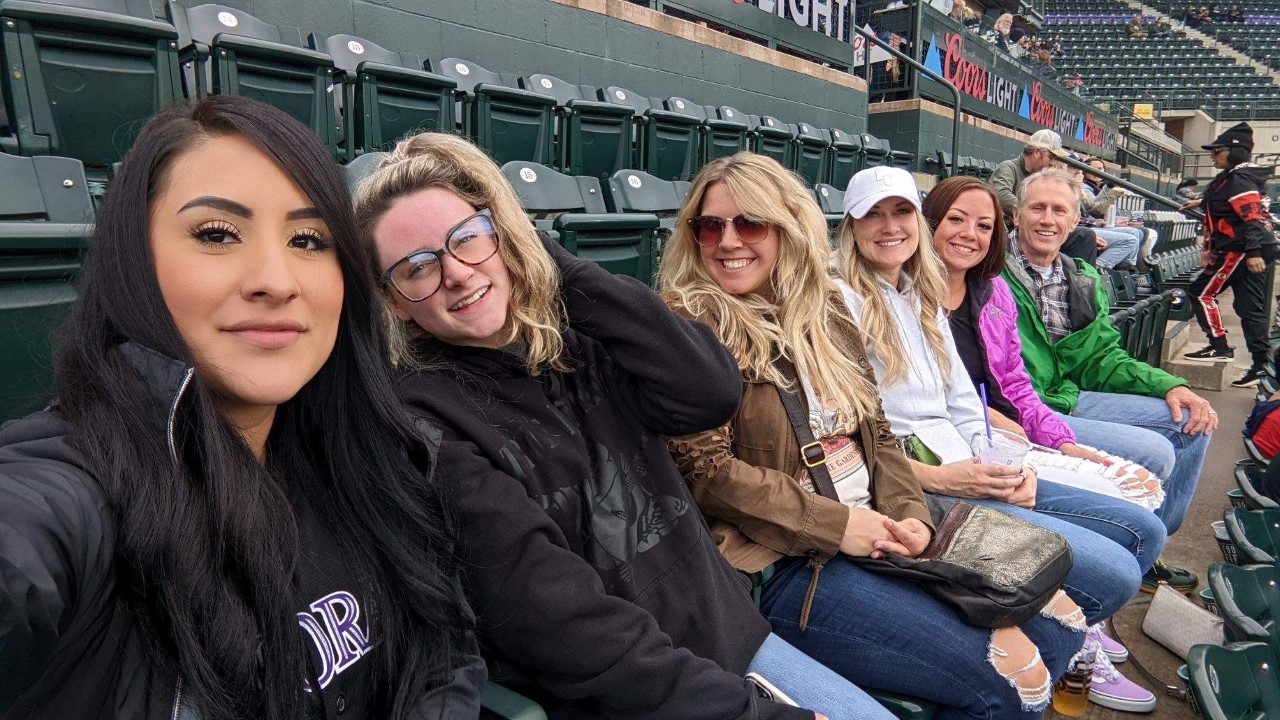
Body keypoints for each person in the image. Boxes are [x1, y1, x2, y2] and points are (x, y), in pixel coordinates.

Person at [356, 131, 874, 719]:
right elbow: (562, 624)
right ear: (393, 301)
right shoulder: (423, 423)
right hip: (636, 700)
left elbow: (708, 394)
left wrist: (559, 270)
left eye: (468, 239)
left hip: (735, 638)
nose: (455, 272)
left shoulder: (578, 343)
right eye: (417, 267)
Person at [0, 96, 483, 718]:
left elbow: (445, 658)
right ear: (134, 262)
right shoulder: (69, 491)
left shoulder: (370, 461)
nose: (277, 281)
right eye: (217, 234)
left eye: (309, 240)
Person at [659, 152, 1088, 719]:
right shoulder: (689, 325)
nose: (728, 241)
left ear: (789, 228)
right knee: (1014, 679)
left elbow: (877, 430)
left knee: (1062, 627)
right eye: (710, 225)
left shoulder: (824, 309)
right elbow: (706, 472)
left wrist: (912, 513)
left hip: (879, 517)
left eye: (751, 223)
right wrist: (841, 525)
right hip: (784, 554)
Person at [830, 167, 1156, 633]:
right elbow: (850, 435)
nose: (889, 227)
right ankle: (1065, 637)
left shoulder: (921, 294)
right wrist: (944, 477)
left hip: (971, 465)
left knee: (1141, 528)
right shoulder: (837, 302)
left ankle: (1069, 634)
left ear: (916, 222)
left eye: (901, 212)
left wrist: (1004, 467)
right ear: (851, 226)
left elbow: (964, 401)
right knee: (1116, 569)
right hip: (919, 483)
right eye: (872, 215)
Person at [923, 176, 1168, 713]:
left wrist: (1062, 441)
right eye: (956, 220)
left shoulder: (993, 292)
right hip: (961, 450)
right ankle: (1079, 642)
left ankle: (1087, 630)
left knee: (1142, 499)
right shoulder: (907, 296)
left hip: (1010, 435)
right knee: (1130, 529)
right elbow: (925, 401)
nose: (969, 234)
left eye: (982, 225)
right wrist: (989, 421)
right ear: (930, 223)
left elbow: (1016, 383)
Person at [1001, 167, 1215, 593]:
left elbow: (1102, 359)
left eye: (1059, 210)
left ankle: (1148, 547)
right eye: (1037, 208)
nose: (1047, 219)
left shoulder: (1080, 276)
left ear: (1074, 221)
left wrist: (1170, 385)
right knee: (1156, 452)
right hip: (1024, 410)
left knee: (1192, 421)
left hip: (1067, 395)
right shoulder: (990, 271)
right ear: (1016, 215)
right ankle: (1129, 544)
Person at [1179, 122, 1277, 387]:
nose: (1213, 156)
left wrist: (1253, 252)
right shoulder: (1235, 176)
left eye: (1217, 151)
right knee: (1249, 308)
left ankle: (1219, 346)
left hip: (1243, 249)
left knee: (1200, 293)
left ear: (1234, 151)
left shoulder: (1239, 179)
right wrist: (1202, 202)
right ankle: (1261, 366)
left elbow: (1252, 217)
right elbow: (1230, 202)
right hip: (1250, 247)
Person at [990, 129, 1068, 224]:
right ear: (1036, 152)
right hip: (1007, 227)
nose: (1053, 163)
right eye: (1051, 157)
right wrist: (1032, 210)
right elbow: (1001, 195)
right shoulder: (1008, 167)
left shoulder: (1040, 176)